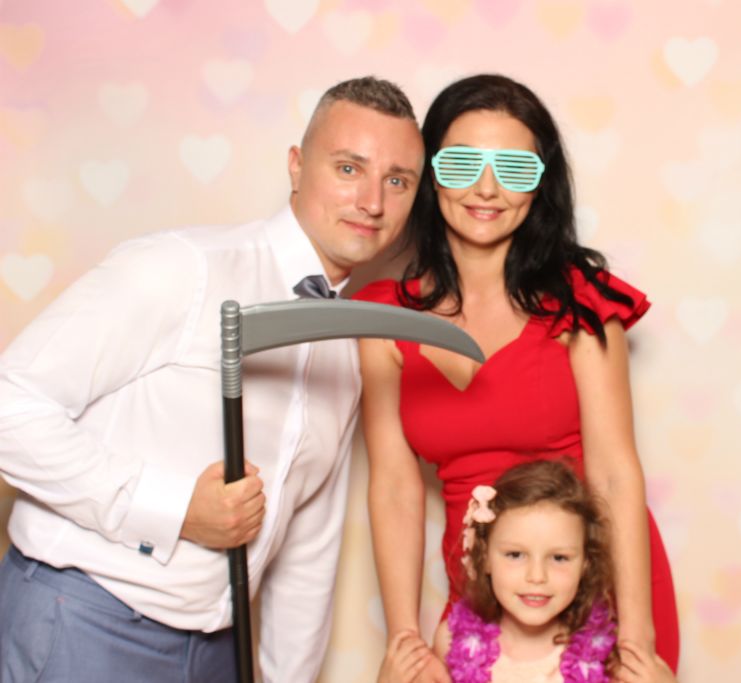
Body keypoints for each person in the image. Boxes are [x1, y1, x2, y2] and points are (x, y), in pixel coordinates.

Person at [0, 76, 424, 683]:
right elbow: (10, 405)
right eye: (349, 168)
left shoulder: (344, 348)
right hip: (85, 619)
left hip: (221, 650)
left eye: (397, 181)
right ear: (296, 165)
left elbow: (309, 543)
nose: (372, 202)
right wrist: (174, 510)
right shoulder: (182, 268)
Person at [356, 73, 679, 683]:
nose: (487, 188)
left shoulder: (582, 304)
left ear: (541, 185)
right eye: (462, 164)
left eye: (514, 168)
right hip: (485, 592)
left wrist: (637, 640)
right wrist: (405, 639)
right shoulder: (384, 318)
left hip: (591, 586)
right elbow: (395, 486)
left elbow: (614, 472)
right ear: (430, 175)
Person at [378, 460, 676, 683]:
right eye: (515, 555)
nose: (537, 576)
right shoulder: (452, 640)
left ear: (585, 564)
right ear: (485, 558)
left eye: (559, 558)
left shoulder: (608, 655)